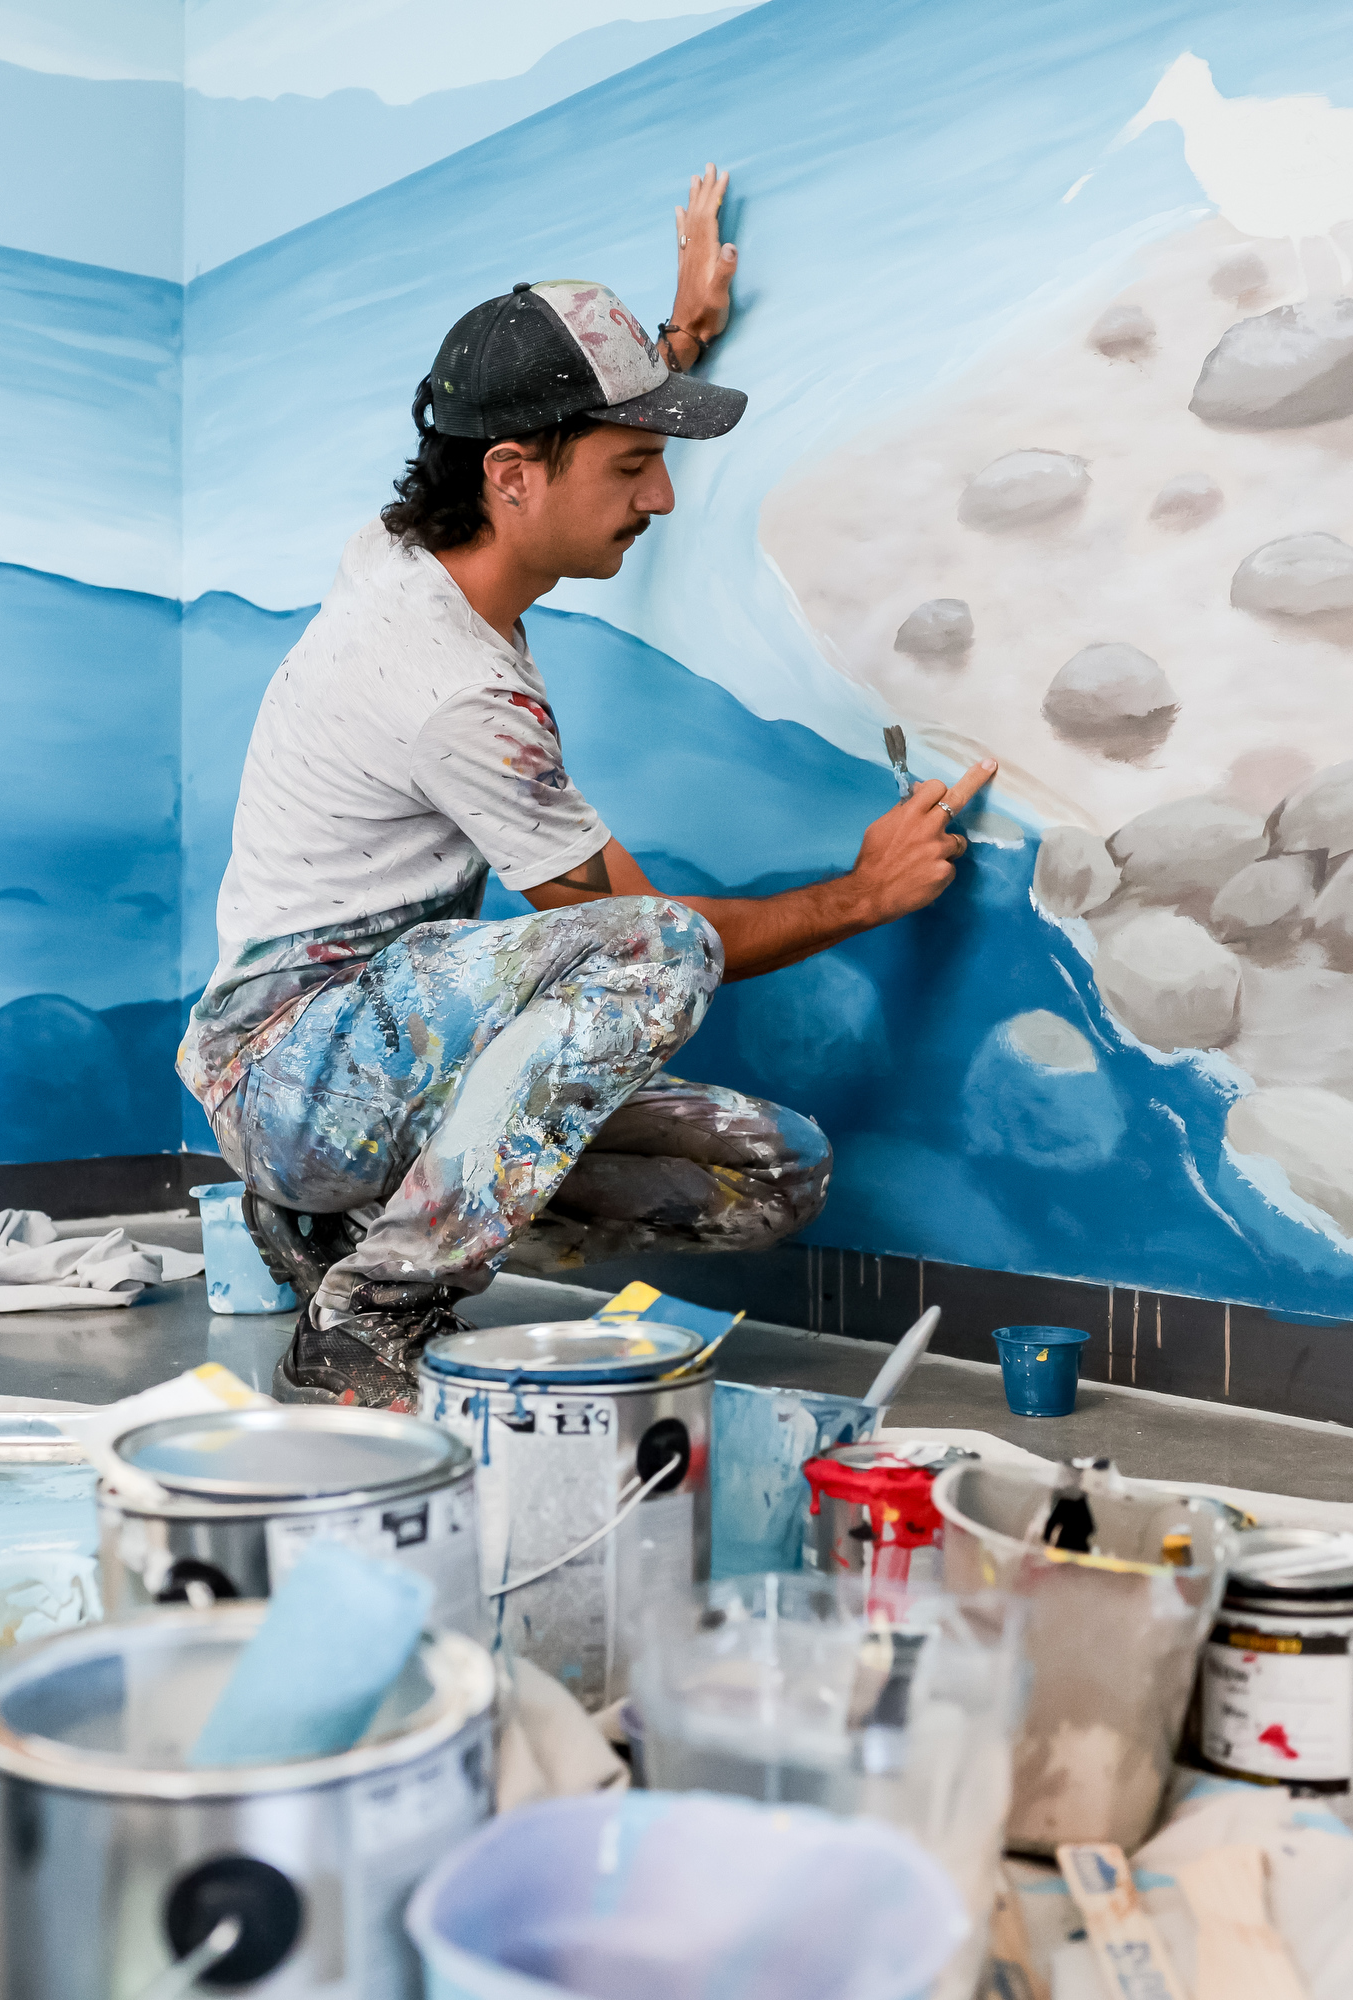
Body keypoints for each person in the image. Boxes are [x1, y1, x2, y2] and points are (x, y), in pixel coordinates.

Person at [179, 167, 998, 1408]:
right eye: (632, 465)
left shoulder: (414, 542)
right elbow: (643, 933)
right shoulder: (456, 688)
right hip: (292, 1067)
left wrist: (668, 346)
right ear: (512, 473)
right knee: (661, 945)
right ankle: (373, 1305)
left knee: (768, 1175)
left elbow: (529, 424)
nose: (659, 498)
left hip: (386, 1057)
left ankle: (340, 1227)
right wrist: (865, 895)